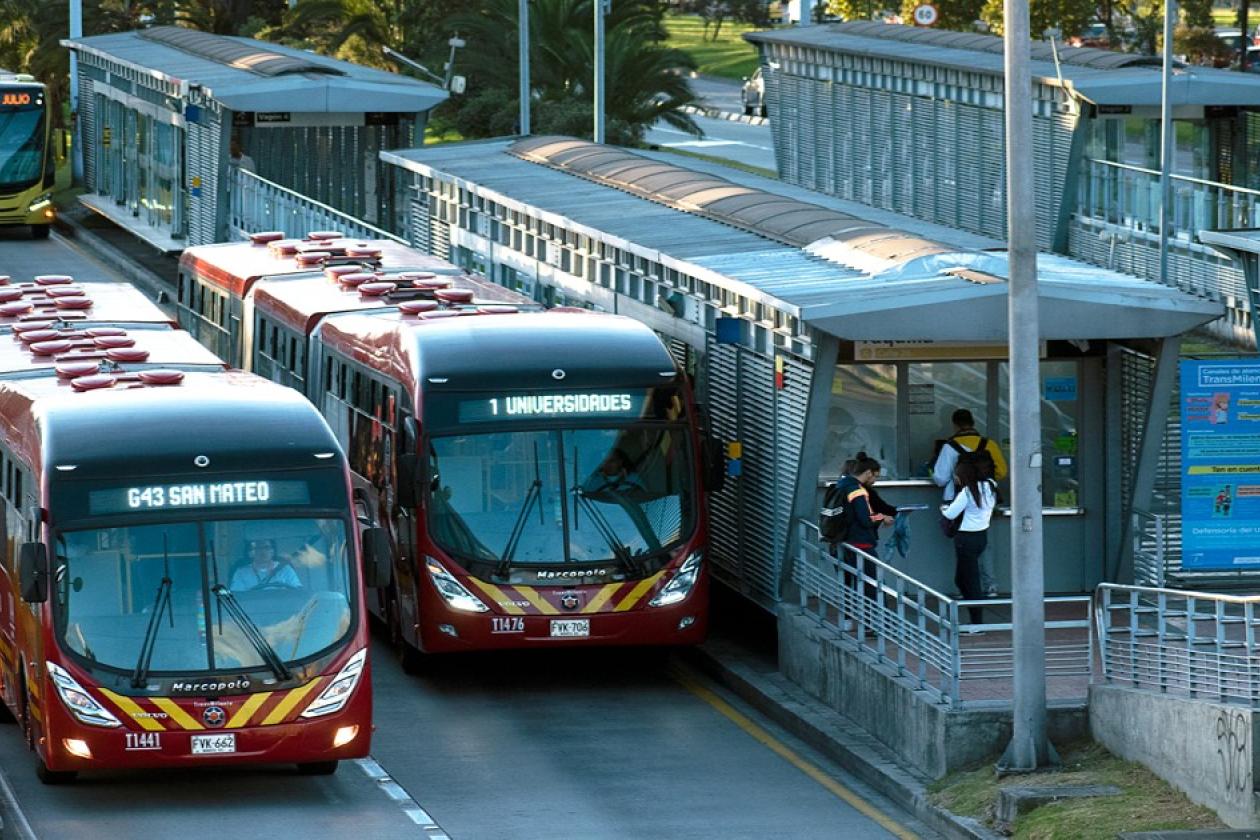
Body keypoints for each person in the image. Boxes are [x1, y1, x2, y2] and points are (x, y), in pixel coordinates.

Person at [932, 408, 1007, 596]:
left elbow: (940, 478)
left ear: (955, 425)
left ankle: (967, 587)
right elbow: (1002, 471)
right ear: (973, 422)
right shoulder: (989, 444)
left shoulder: (950, 447)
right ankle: (990, 585)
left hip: (956, 498)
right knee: (983, 542)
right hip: (984, 497)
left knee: (963, 546)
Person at [943, 457, 997, 630]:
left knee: (969, 581)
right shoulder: (990, 486)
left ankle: (976, 623)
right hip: (981, 537)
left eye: (957, 476)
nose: (956, 479)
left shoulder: (967, 492)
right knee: (963, 578)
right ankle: (974, 617)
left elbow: (950, 514)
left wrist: (943, 509)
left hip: (965, 539)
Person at [834, 453, 888, 625]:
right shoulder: (857, 491)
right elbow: (865, 519)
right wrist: (881, 517)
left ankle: (849, 621)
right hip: (860, 544)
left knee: (848, 584)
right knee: (873, 584)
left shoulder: (840, 485)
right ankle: (876, 623)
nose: (874, 481)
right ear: (868, 473)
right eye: (874, 476)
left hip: (840, 542)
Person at [230, 538, 301, 591]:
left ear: (273, 551)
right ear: (250, 553)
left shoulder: (285, 569)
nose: (263, 551)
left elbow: (298, 593)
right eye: (257, 548)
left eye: (266, 547)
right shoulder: (241, 573)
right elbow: (239, 597)